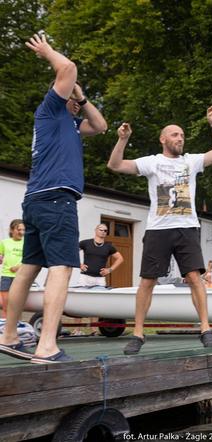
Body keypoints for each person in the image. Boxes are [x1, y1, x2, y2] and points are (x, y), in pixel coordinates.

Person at [0, 32, 107, 363]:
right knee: (61, 268)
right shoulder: (49, 110)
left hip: (36, 201)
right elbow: (69, 68)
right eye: (70, 95)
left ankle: (9, 336)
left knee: (30, 267)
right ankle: (46, 345)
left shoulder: (70, 125)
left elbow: (101, 126)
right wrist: (48, 52)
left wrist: (84, 100)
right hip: (56, 199)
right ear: (60, 95)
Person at [107, 106, 212, 355]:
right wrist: (122, 139)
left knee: (195, 278)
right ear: (163, 139)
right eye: (175, 135)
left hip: (187, 228)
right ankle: (138, 334)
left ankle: (205, 329)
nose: (180, 138)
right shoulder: (152, 162)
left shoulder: (191, 161)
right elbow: (115, 164)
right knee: (147, 282)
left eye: (182, 135)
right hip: (158, 230)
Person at [0, 220, 26, 318]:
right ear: (12, 230)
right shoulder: (4, 243)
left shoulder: (26, 244)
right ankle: (4, 329)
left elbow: (28, 259)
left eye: (23, 230)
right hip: (6, 276)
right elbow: (1, 256)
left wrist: (18, 267)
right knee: (5, 307)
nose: (21, 232)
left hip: (20, 277)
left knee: (17, 306)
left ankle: (16, 327)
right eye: (19, 229)